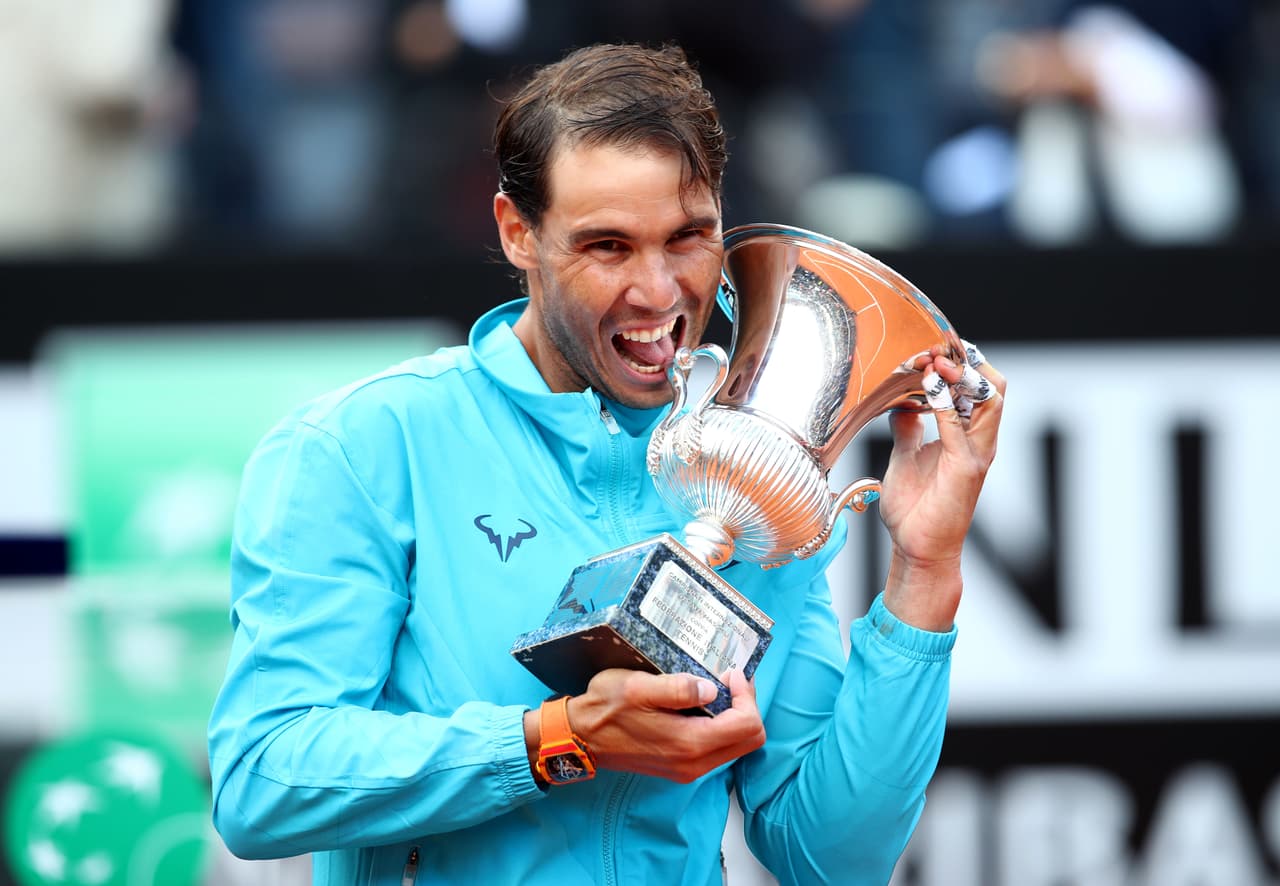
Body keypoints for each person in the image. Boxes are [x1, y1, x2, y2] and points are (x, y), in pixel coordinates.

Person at [206, 41, 1006, 886]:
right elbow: (263, 782)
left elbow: (831, 860)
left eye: (689, 237)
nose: (659, 292)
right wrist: (559, 738)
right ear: (519, 233)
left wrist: (924, 571)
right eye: (608, 247)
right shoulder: (363, 446)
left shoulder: (760, 484)